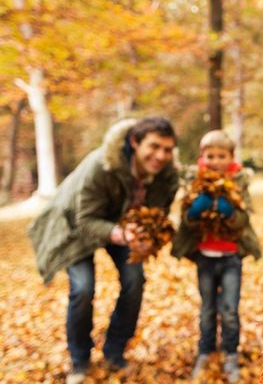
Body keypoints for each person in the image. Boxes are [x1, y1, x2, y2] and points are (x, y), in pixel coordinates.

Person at [28, 117, 179, 384]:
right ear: (134, 142)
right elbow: (84, 219)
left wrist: (148, 237)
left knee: (135, 280)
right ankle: (79, 360)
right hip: (76, 227)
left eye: (167, 149)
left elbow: (159, 213)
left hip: (123, 226)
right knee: (83, 288)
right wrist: (121, 234)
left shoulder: (167, 174)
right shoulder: (101, 165)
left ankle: (114, 351)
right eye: (154, 147)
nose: (160, 155)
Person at [171, 130, 261, 382]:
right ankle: (205, 352)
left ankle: (230, 354)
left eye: (221, 156)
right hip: (205, 258)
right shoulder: (194, 182)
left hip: (231, 257)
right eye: (210, 156)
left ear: (231, 157)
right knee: (208, 309)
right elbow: (186, 221)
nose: (215, 161)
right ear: (202, 156)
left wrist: (229, 213)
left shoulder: (239, 182)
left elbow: (244, 219)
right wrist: (194, 212)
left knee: (230, 310)